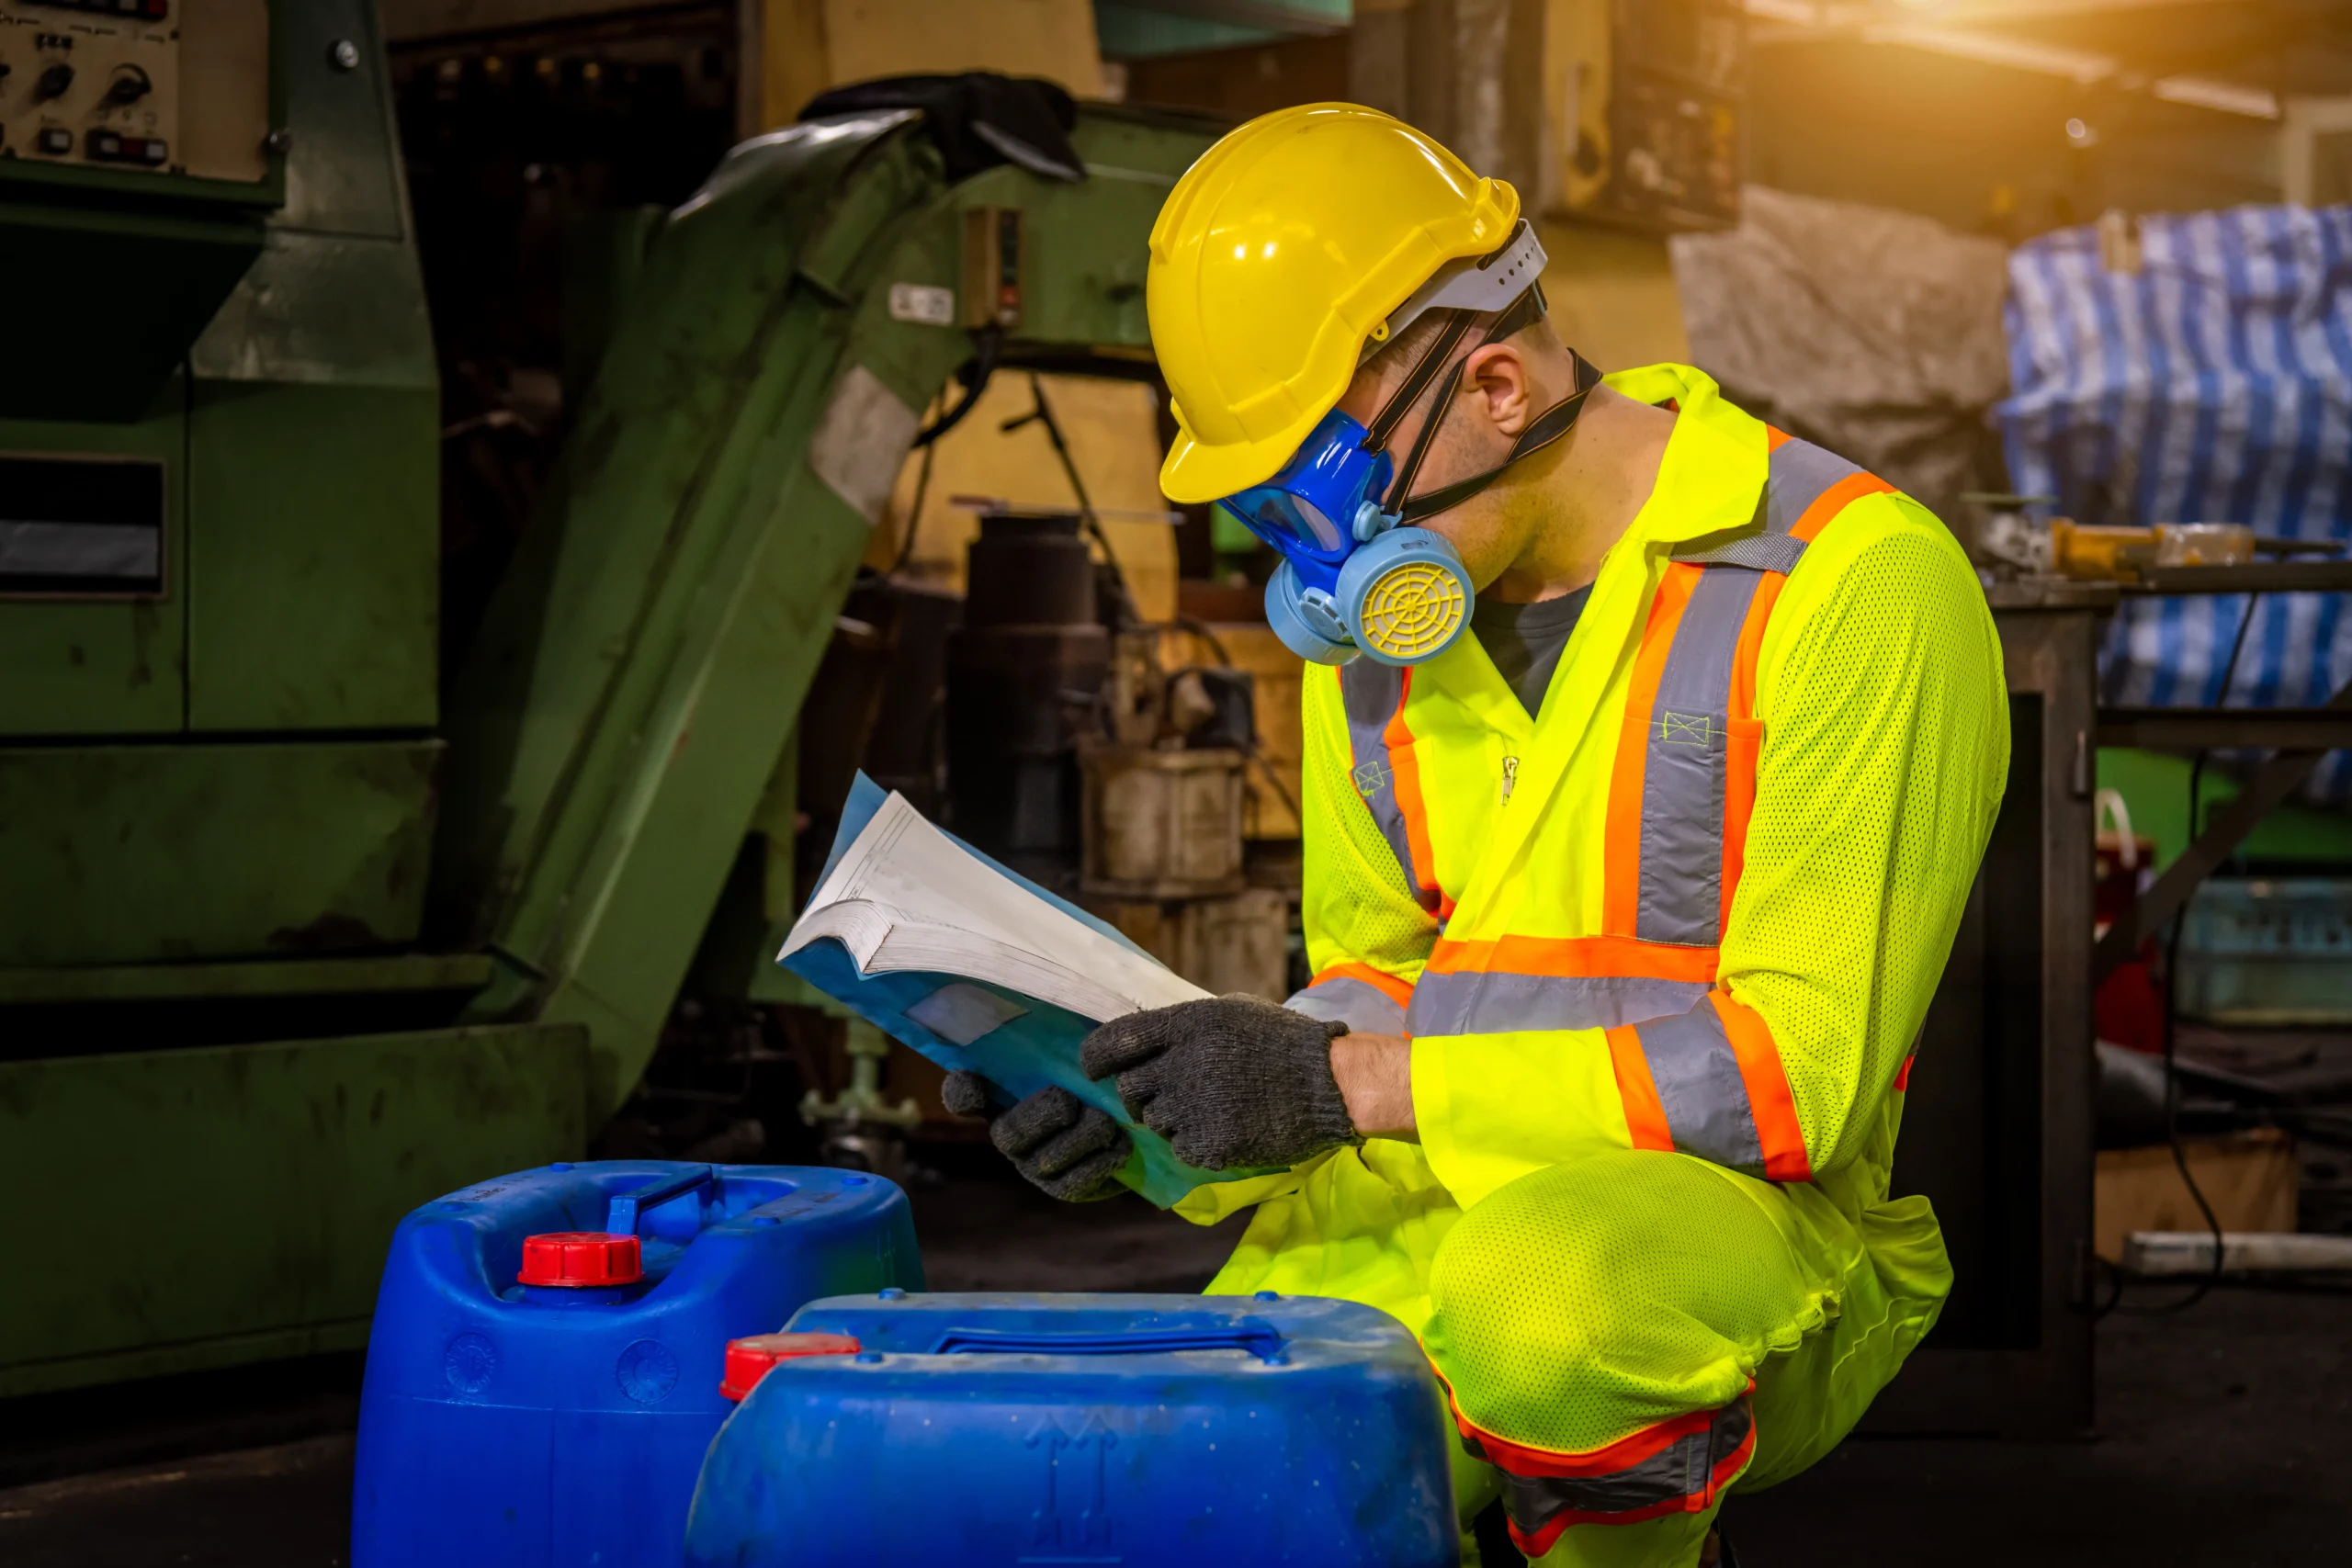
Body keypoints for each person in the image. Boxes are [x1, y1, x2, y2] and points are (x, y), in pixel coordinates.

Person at [941, 103, 2008, 1567]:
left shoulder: (1852, 586)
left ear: (1496, 384)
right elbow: (1380, 983)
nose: (1308, 562)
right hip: (1434, 1194)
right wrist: (1148, 1109)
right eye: (1264, 510)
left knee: (1543, 1306)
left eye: (1319, 494)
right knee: (1205, 1475)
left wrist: (1344, 1086)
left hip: (1742, 1239)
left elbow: (1791, 1085)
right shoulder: (1379, 647)